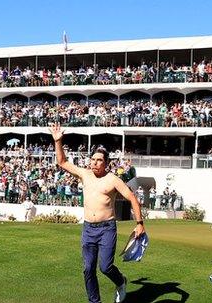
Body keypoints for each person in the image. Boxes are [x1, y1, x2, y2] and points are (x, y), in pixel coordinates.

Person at [49, 123, 145, 303]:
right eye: (93, 159)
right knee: (88, 269)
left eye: (99, 160)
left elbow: (132, 198)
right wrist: (58, 141)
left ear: (106, 163)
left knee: (106, 267)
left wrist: (139, 224)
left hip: (107, 228)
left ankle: (120, 281)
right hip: (88, 229)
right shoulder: (85, 174)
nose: (94, 162)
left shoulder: (113, 180)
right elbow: (61, 162)